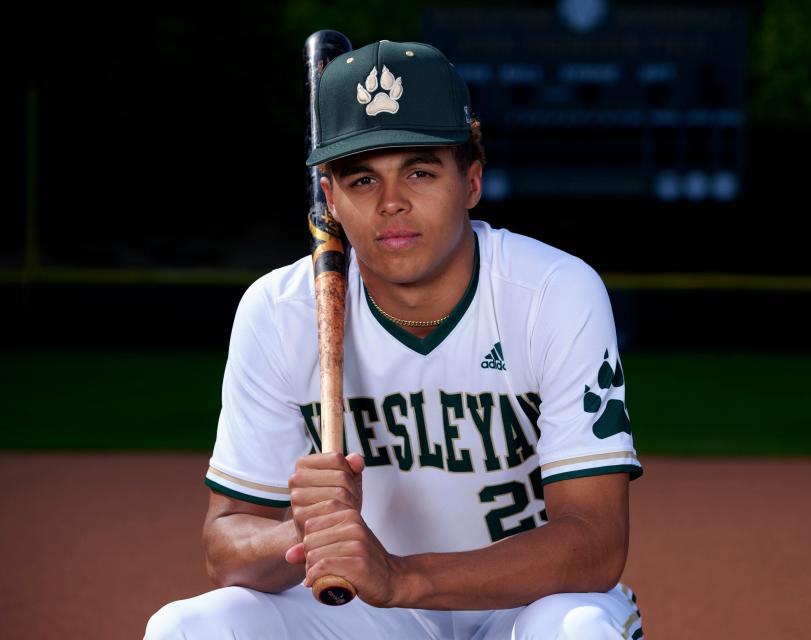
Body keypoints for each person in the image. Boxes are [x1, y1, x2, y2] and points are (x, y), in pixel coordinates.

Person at [145, 39, 643, 639]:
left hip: (526, 598)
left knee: (578, 630)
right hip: (363, 613)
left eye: (420, 171)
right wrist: (301, 532)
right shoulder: (279, 312)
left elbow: (594, 543)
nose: (391, 203)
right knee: (188, 627)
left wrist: (403, 576)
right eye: (361, 180)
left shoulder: (551, 293)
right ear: (330, 200)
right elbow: (227, 544)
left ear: (472, 181)